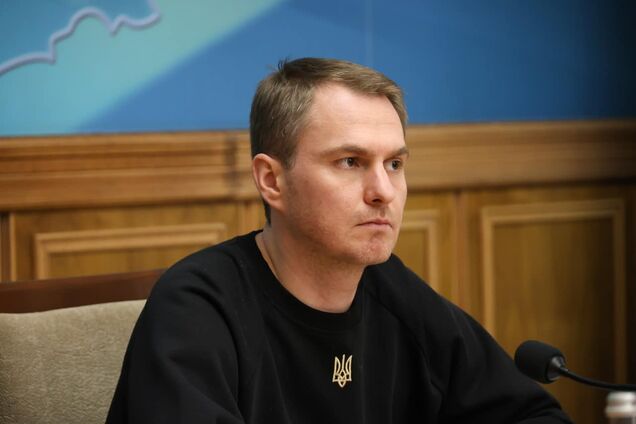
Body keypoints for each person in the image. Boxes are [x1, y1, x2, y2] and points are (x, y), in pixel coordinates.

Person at [106, 57, 572, 423]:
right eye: (350, 162)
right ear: (271, 180)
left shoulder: (393, 291)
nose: (383, 191)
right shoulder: (197, 307)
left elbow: (534, 416)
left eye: (394, 164)